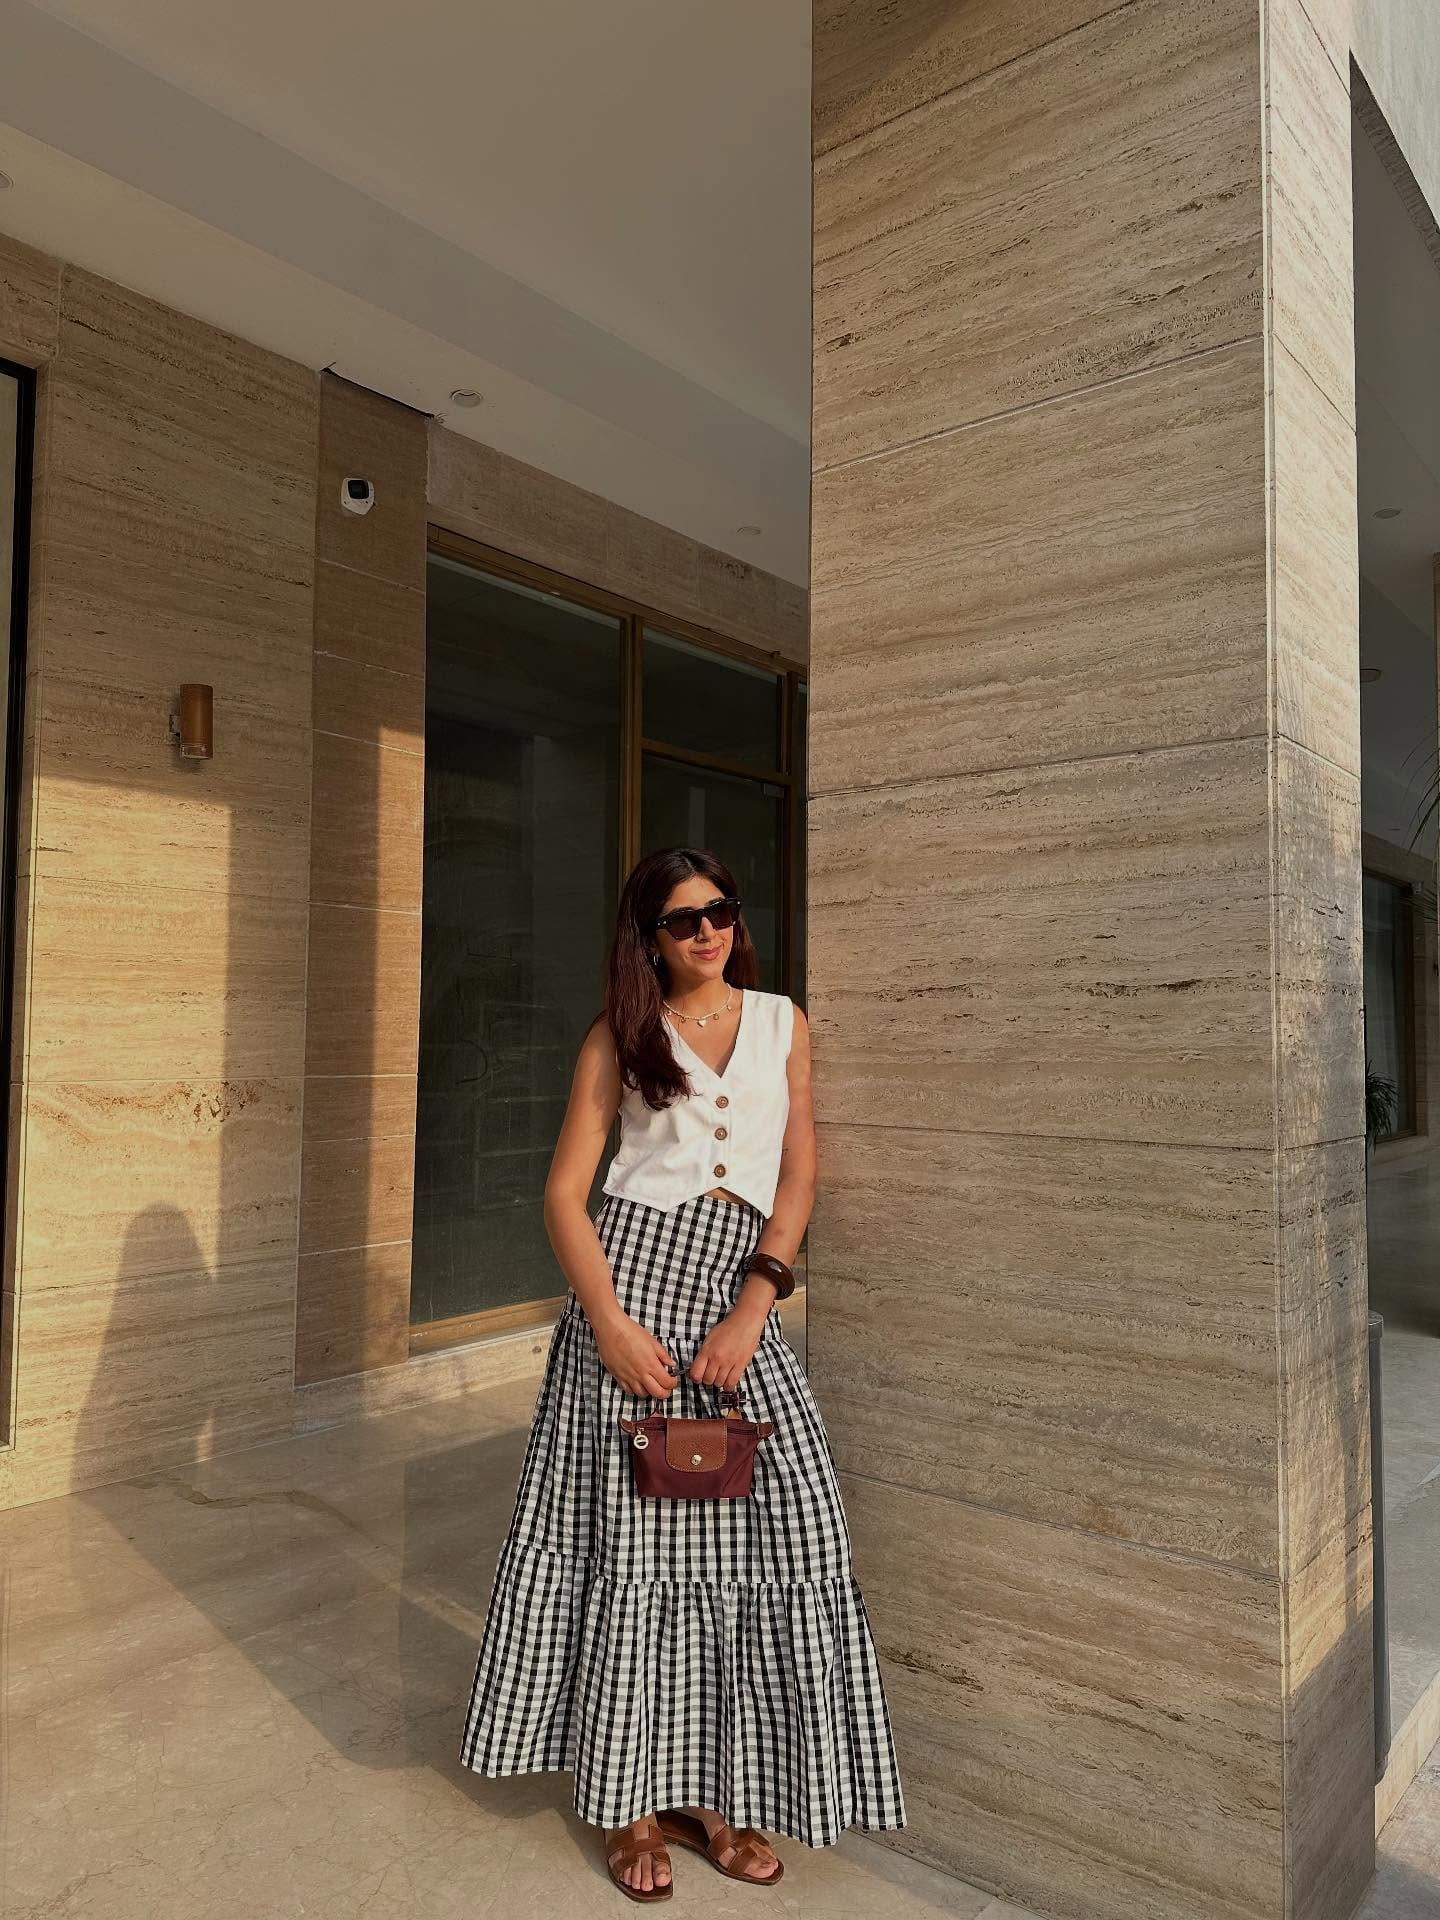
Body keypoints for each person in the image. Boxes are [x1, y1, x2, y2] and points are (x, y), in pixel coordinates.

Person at [458, 846, 905, 1901]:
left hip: (737, 1295)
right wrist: (609, 1324)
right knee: (632, 1551)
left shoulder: (783, 1023)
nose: (707, 930)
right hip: (632, 1296)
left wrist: (757, 1304)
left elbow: (798, 1172)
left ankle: (716, 1799)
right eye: (682, 918)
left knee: (776, 1537)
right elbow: (565, 1194)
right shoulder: (620, 1035)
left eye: (721, 911)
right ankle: (629, 1806)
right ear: (649, 937)